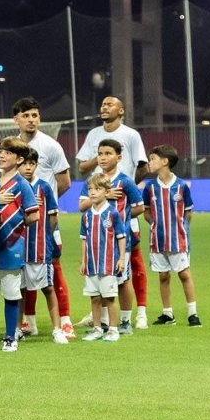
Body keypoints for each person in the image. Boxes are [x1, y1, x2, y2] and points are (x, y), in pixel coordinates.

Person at [74, 96, 151, 327]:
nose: (104, 107)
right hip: (98, 205)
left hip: (122, 213)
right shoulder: (93, 135)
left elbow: (143, 166)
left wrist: (126, 193)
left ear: (121, 110)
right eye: (103, 104)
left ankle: (138, 314)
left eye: (110, 104)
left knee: (130, 264)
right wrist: (96, 163)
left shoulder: (130, 135)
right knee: (101, 268)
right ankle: (102, 318)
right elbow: (81, 166)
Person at [12, 96, 73, 339]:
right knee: (21, 274)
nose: (31, 120)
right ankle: (29, 322)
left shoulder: (50, 146)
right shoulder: (12, 146)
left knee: (52, 270)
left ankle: (65, 321)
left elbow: (65, 182)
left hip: (47, 223)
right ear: (16, 119)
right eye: (26, 115)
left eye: (35, 115)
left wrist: (44, 206)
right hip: (19, 224)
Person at [78, 138, 144, 337]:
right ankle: (103, 323)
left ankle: (125, 320)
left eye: (108, 153)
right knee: (99, 280)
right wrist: (101, 196)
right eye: (100, 153)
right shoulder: (92, 181)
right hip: (96, 242)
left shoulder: (125, 181)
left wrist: (121, 217)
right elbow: (81, 207)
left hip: (118, 240)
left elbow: (139, 206)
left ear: (119, 157)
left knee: (122, 280)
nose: (103, 157)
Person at [141, 145, 201, 327]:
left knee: (184, 274)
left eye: (152, 158)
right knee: (163, 276)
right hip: (157, 241)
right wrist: (156, 227)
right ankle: (168, 314)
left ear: (165, 161)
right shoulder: (150, 188)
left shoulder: (181, 186)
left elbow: (188, 214)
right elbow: (146, 212)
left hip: (178, 240)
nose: (149, 162)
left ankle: (193, 313)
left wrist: (179, 229)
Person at [0, 137, 40, 353]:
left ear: (19, 159)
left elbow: (34, 215)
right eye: (1, 151)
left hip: (11, 247)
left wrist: (14, 223)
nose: (2, 156)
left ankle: (11, 336)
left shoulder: (22, 185)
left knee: (11, 293)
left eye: (8, 153)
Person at [19, 149, 69, 344]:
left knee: (48, 288)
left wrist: (44, 237)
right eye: (25, 163)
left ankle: (57, 329)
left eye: (32, 164)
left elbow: (53, 218)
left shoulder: (44, 187)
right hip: (19, 250)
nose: (28, 167)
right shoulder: (14, 186)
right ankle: (17, 329)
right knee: (19, 291)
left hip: (40, 249)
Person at [79, 173, 130, 342]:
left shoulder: (113, 213)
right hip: (92, 264)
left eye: (97, 189)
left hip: (108, 264)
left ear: (107, 192)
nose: (92, 192)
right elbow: (84, 239)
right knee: (94, 297)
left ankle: (114, 329)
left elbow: (121, 237)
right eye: (90, 189)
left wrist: (121, 259)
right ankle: (97, 328)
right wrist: (84, 260)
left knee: (109, 298)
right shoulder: (86, 216)